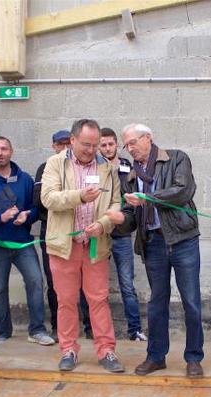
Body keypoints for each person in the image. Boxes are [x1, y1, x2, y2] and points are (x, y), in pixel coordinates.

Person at [106, 123, 205, 378]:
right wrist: (120, 219)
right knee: (156, 302)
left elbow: (183, 191)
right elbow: (131, 215)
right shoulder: (130, 176)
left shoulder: (176, 158)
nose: (129, 149)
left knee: (191, 301)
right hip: (153, 243)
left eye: (132, 143)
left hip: (183, 239)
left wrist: (149, 198)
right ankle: (155, 356)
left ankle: (194, 357)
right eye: (126, 145)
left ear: (148, 138)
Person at [41, 119, 125, 373]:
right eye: (86, 144)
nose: (91, 150)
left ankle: (107, 351)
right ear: (73, 140)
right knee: (66, 301)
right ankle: (68, 349)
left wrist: (102, 225)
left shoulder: (107, 168)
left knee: (99, 300)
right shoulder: (55, 163)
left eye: (95, 145)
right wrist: (78, 196)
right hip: (64, 246)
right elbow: (48, 198)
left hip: (94, 246)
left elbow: (115, 203)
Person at [0, 136, 54, 347]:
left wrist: (28, 215)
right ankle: (3, 334)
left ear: (11, 151)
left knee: (36, 281)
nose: (0, 153)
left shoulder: (25, 179)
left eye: (4, 149)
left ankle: (37, 330)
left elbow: (36, 209)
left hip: (22, 244)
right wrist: (1, 217)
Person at [33, 130, 92, 339]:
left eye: (68, 143)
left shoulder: (82, 168)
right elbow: (41, 201)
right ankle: (60, 329)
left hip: (83, 234)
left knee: (88, 286)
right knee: (57, 286)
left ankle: (90, 329)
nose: (65, 147)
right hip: (55, 233)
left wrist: (65, 198)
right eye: (60, 144)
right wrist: (73, 198)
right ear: (53, 146)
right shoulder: (48, 167)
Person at [99, 127, 145, 342]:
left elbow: (132, 192)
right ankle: (94, 331)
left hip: (122, 233)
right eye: (103, 145)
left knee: (127, 283)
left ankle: (134, 331)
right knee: (97, 286)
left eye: (111, 144)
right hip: (100, 233)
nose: (107, 148)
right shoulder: (94, 167)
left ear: (117, 144)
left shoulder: (128, 165)